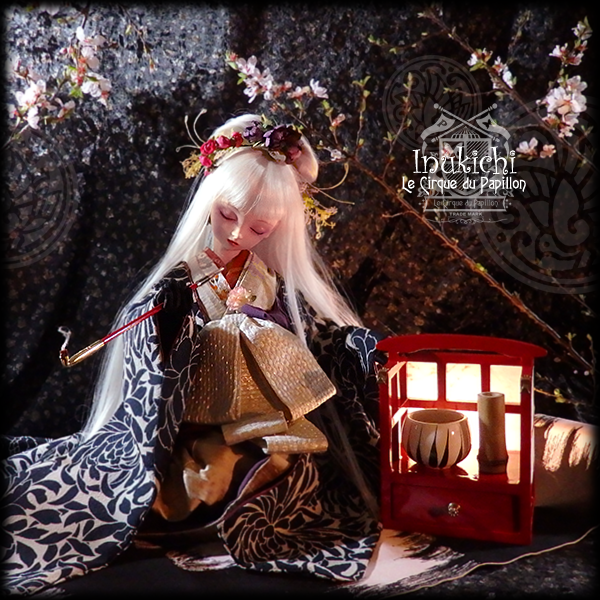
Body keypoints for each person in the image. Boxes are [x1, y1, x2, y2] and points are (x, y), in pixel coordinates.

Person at [1, 113, 385, 595]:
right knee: (210, 473)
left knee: (288, 461)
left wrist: (349, 344)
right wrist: (171, 321)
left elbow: (309, 332)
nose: (238, 234)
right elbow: (148, 345)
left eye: (258, 228)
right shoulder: (185, 276)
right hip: (194, 416)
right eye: (227, 215)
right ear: (210, 200)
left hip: (260, 411)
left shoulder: (265, 276)